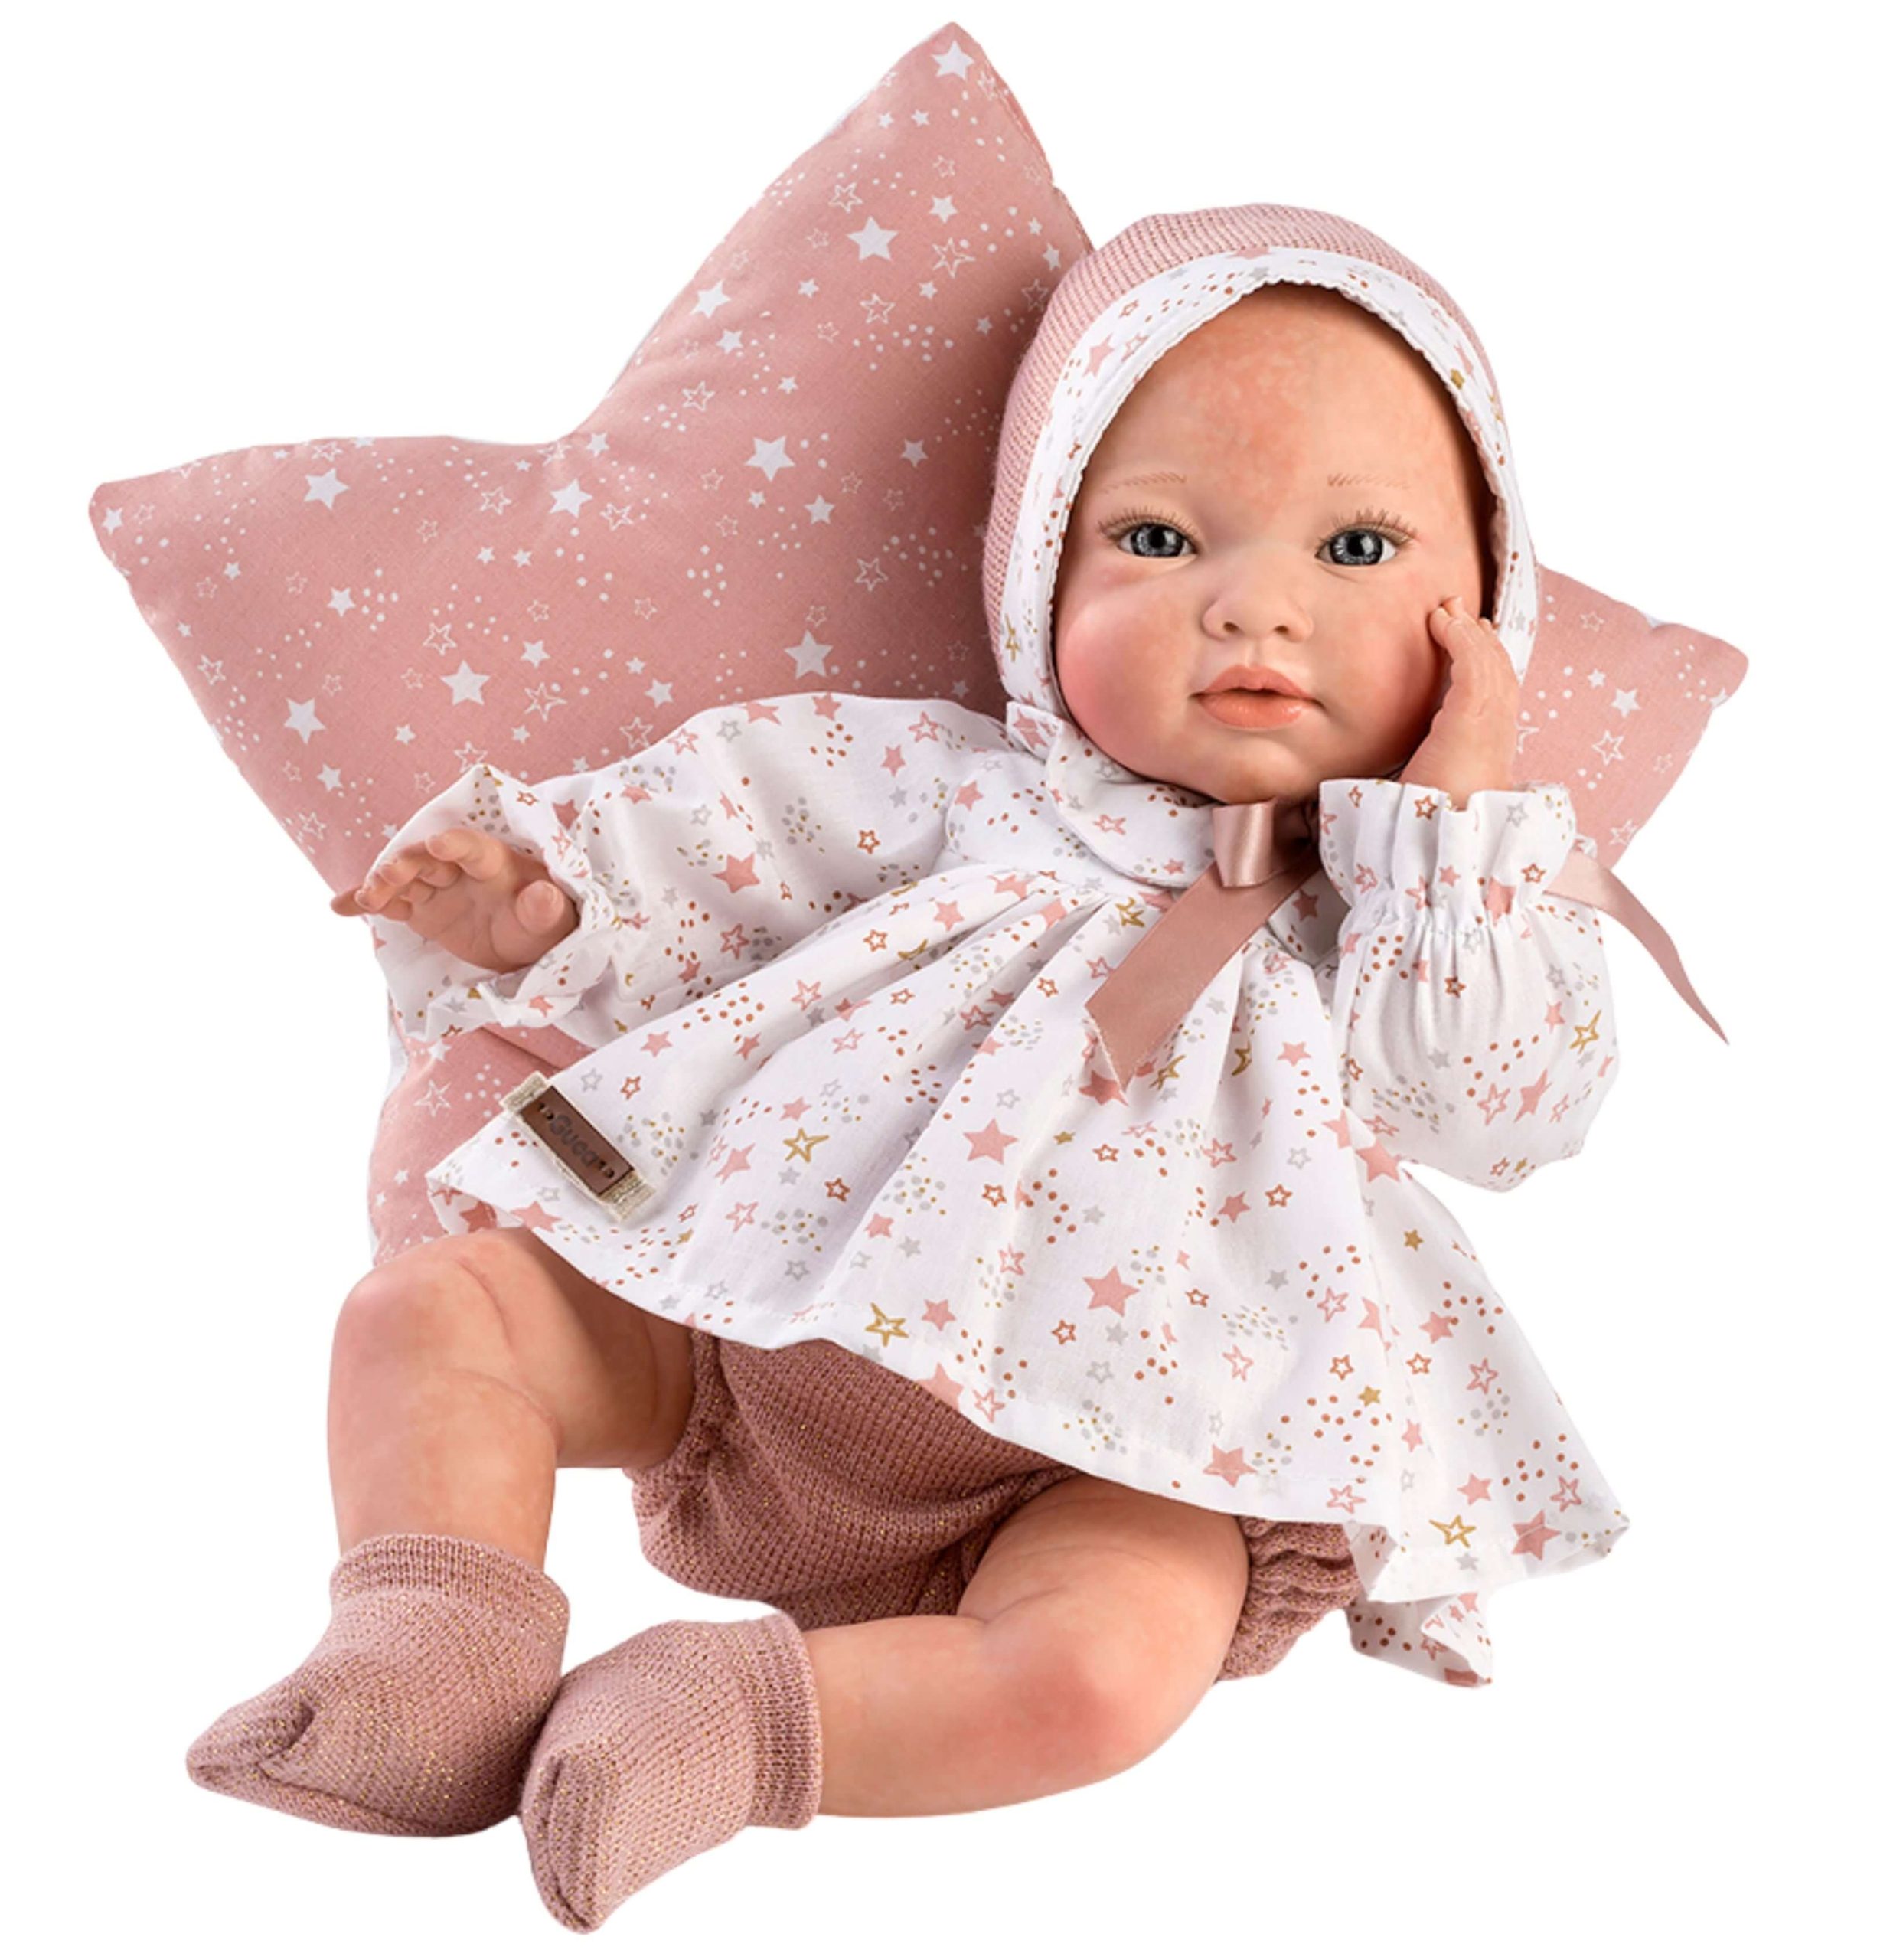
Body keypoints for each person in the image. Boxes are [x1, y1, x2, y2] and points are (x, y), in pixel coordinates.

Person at [189, 208, 1635, 1932]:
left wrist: (1448, 834)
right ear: (1038, 573)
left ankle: (721, 1725)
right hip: (746, 1334)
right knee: (431, 1315)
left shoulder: (1411, 927)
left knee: (1101, 1679)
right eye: (1158, 536)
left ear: (1484, 612)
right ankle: (431, 1642)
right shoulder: (954, 790)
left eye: (1358, 546)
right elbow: (722, 840)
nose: (1254, 604)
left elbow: (1501, 1108)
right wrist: (538, 899)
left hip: (1121, 1464)